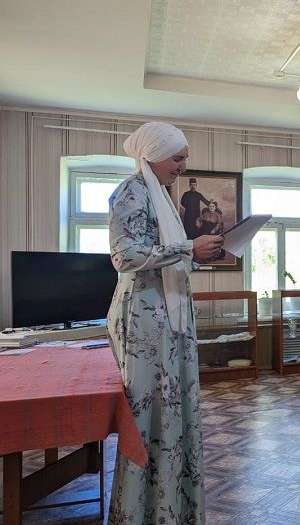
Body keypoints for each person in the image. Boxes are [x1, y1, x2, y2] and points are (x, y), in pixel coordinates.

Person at [107, 122, 224, 523]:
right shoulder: (131, 191)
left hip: (168, 313)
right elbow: (124, 256)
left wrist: (196, 253)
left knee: (174, 408)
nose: (183, 164)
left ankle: (170, 509)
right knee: (149, 412)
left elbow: (166, 254)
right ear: (153, 154)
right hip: (145, 317)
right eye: (177, 157)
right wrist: (188, 247)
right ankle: (140, 513)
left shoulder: (164, 198)